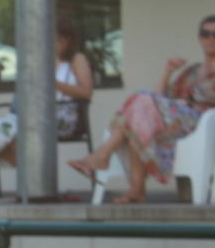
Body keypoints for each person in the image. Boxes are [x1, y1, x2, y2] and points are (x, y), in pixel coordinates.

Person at [69, 14, 215, 203]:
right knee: (138, 115)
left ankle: (105, 156)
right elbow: (159, 98)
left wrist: (190, 102)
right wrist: (167, 71)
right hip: (173, 122)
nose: (211, 38)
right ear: (199, 37)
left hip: (201, 124)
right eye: (206, 33)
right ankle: (134, 188)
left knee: (139, 104)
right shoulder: (191, 71)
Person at [0, 14, 94, 167]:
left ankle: (35, 180)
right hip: (37, 112)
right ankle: (32, 176)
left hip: (65, 114)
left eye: (56, 39)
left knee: (23, 127)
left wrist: (52, 83)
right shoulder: (42, 60)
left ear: (68, 39)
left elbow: (86, 92)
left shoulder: (76, 59)